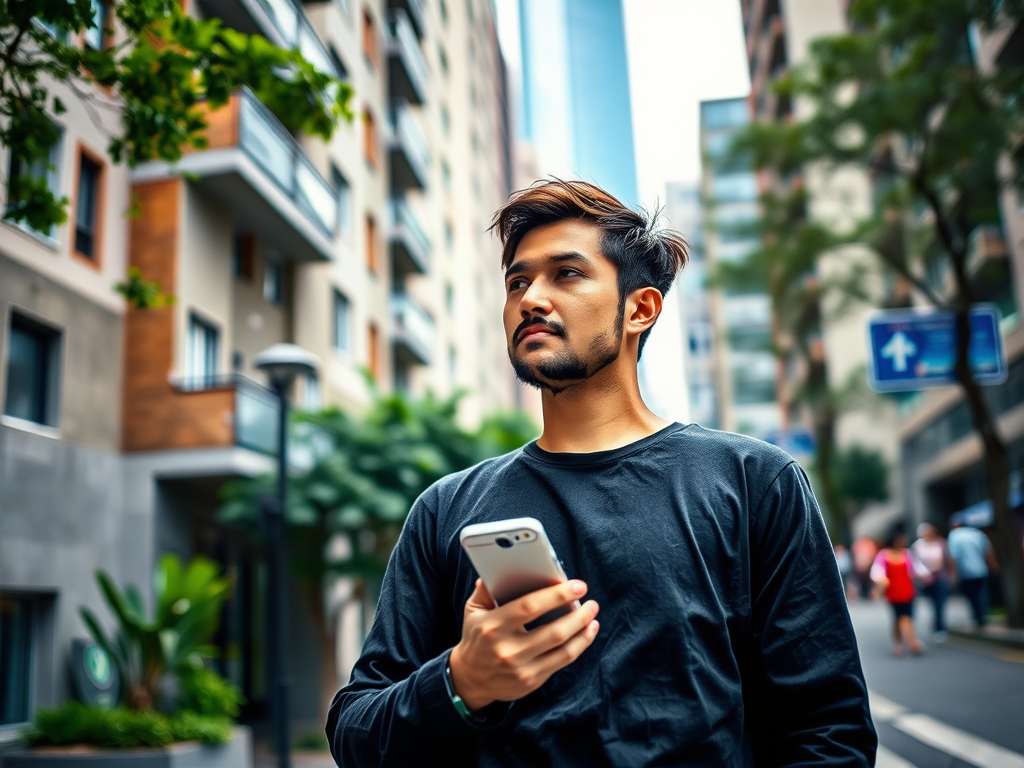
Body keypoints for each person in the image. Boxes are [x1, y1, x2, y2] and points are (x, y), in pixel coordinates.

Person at [325, 180, 877, 767]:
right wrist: (462, 681)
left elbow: (829, 729)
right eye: (517, 281)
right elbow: (356, 732)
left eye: (566, 274)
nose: (531, 299)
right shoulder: (446, 509)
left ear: (640, 308)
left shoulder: (754, 481)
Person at [871, 527, 930, 656]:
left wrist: (927, 577)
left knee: (904, 617)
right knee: (901, 617)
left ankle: (905, 643)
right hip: (893, 592)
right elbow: (877, 572)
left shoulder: (907, 554)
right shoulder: (884, 555)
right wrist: (880, 582)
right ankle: (907, 643)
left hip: (908, 590)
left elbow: (917, 569)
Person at [947, 516, 998, 628]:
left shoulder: (954, 535)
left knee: (972, 596)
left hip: (966, 573)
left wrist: (953, 575)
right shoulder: (978, 533)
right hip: (981, 569)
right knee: (982, 594)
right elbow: (988, 552)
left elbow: (953, 558)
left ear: (956, 525)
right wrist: (993, 566)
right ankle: (982, 616)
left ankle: (978, 617)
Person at [911, 522, 953, 640]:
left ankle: (939, 627)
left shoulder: (940, 543)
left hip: (940, 577)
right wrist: (922, 576)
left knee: (939, 603)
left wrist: (952, 575)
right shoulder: (917, 546)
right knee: (933, 603)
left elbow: (948, 560)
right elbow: (914, 563)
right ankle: (936, 624)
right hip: (925, 580)